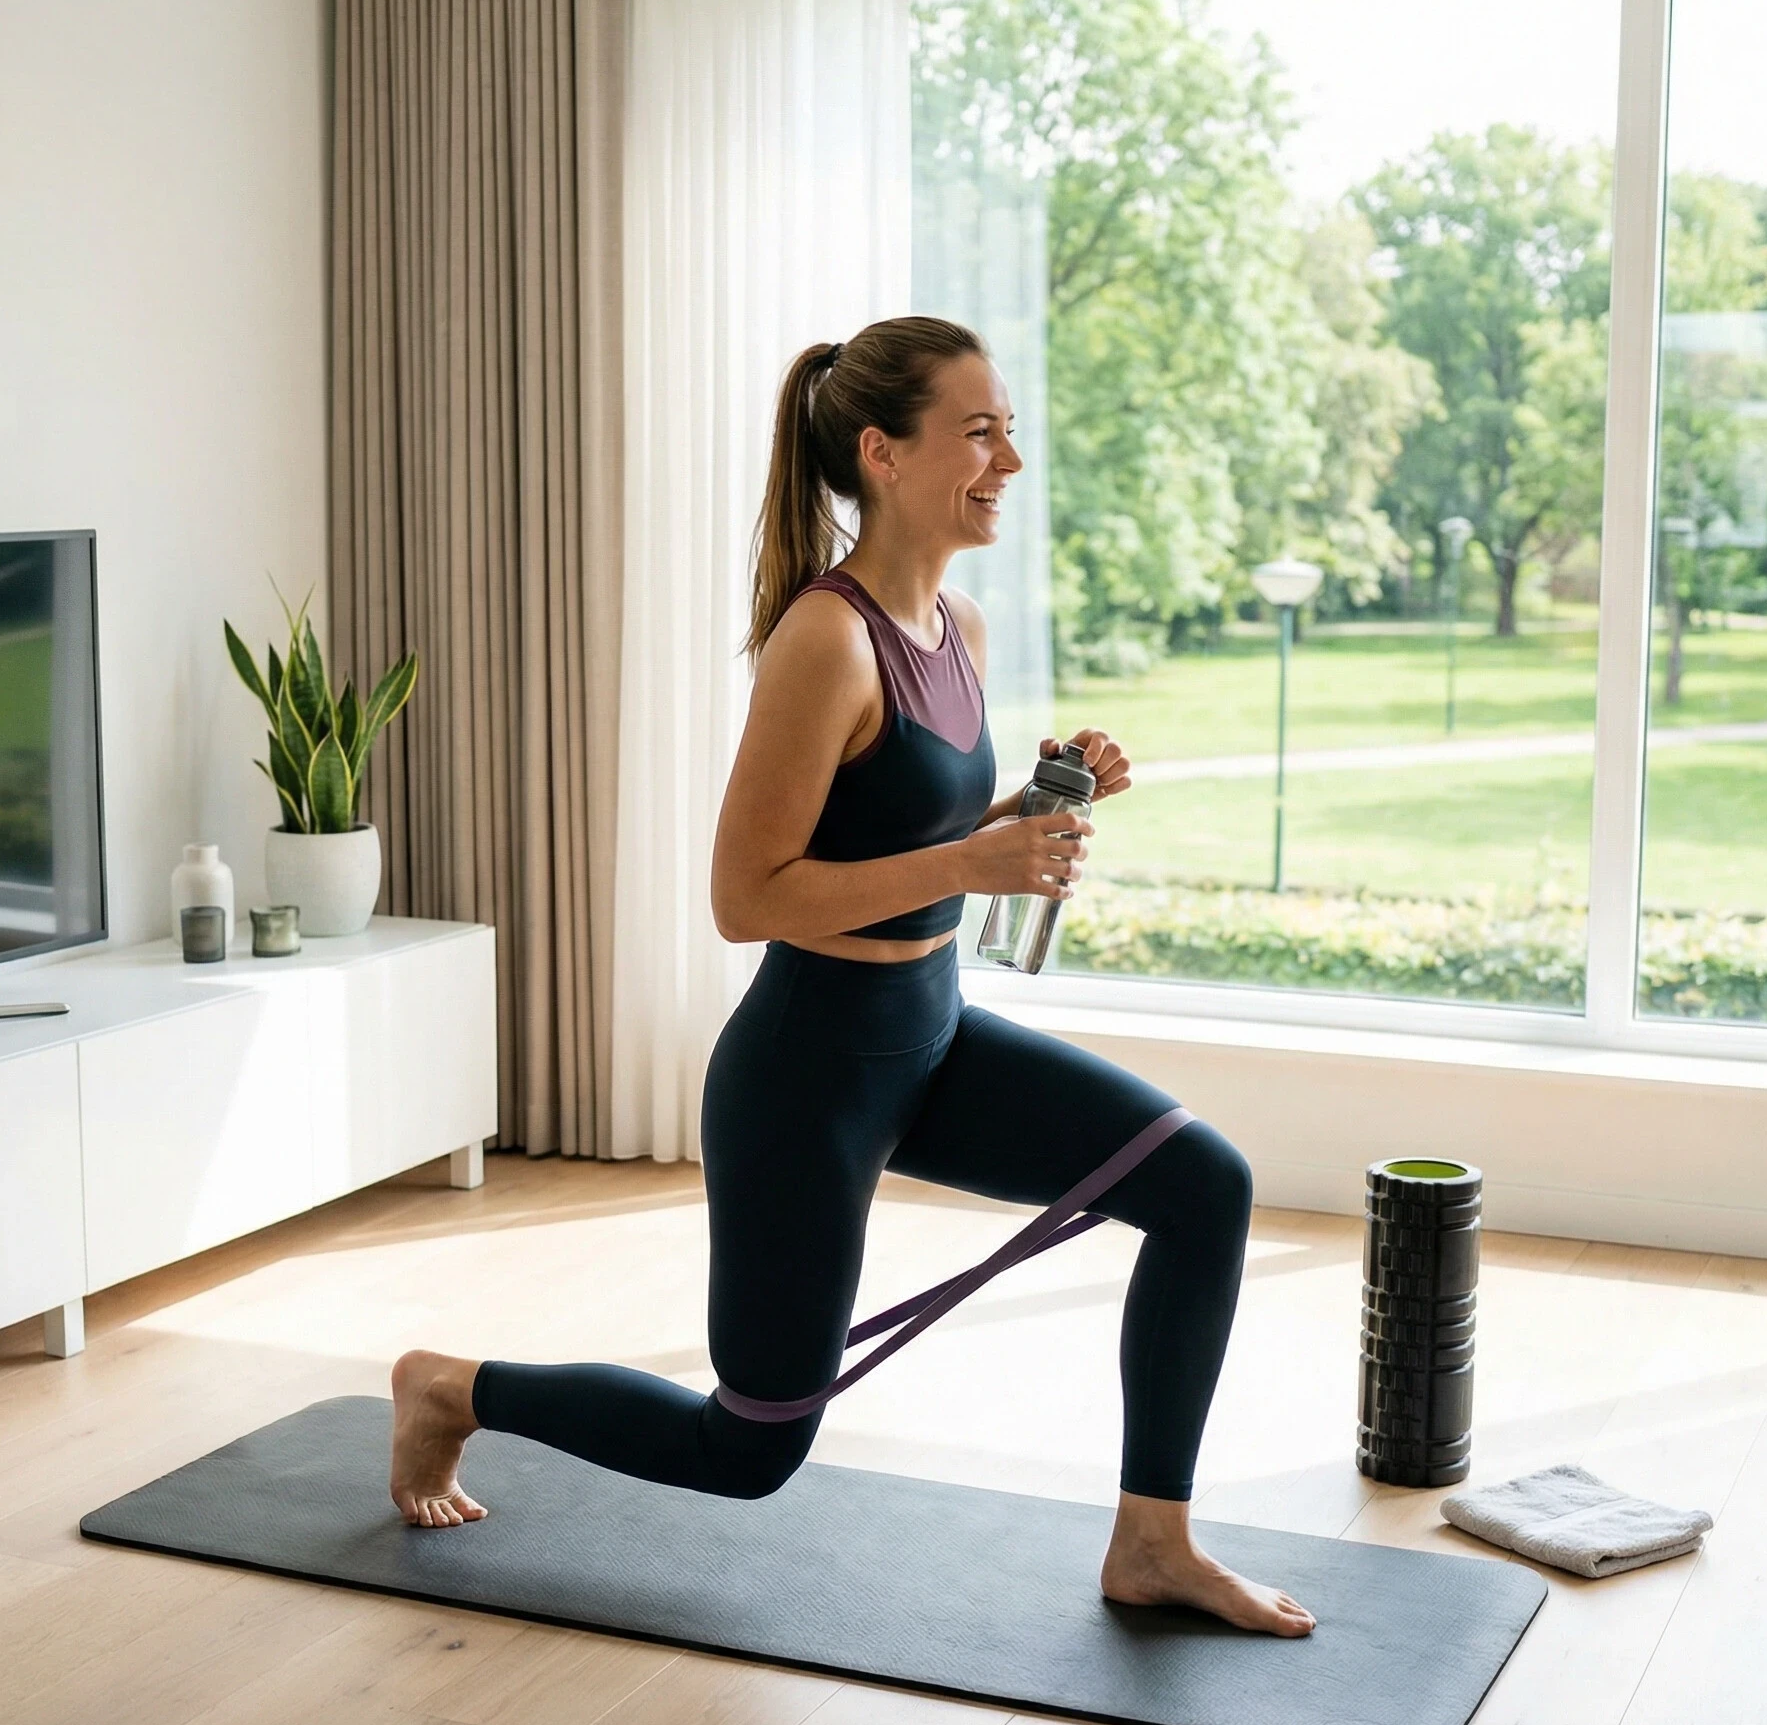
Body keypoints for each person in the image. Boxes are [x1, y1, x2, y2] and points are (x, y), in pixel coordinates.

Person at [389, 314, 1315, 1638]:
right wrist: (978, 860)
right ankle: (449, 1387)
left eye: (1010, 427)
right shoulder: (823, 639)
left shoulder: (959, 627)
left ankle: (1152, 1543)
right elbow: (744, 895)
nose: (1008, 456)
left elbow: (904, 837)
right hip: (809, 1075)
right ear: (884, 453)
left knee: (1202, 1182)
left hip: (930, 1033)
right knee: (748, 1446)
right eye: (979, 428)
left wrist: (1030, 808)